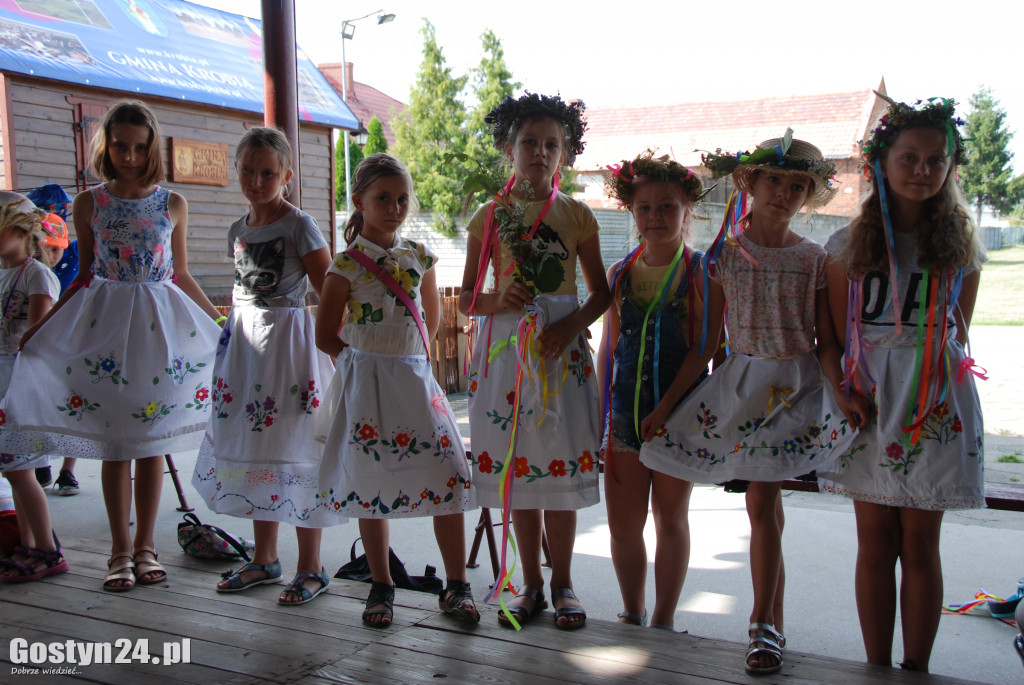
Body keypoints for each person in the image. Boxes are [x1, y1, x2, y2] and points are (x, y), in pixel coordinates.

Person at [639, 133, 870, 673]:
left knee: (764, 507)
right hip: (743, 388)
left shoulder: (815, 259)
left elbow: (828, 344)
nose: (783, 193)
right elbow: (706, 346)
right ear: (749, 182)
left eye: (797, 186)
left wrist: (844, 394)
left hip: (797, 390)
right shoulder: (724, 255)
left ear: (808, 195)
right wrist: (668, 407)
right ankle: (767, 625)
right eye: (774, 181)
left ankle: (764, 625)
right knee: (760, 506)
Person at [0, 99, 222, 591]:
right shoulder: (90, 203)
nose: (128, 155)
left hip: (161, 333)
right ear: (106, 145)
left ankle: (146, 547)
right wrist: (42, 328)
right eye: (120, 145)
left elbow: (180, 273)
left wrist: (218, 323)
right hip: (106, 331)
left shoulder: (172, 204)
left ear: (151, 149)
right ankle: (119, 552)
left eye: (139, 147)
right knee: (116, 447)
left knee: (150, 446)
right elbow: (81, 276)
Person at [818, 95, 984, 673]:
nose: (922, 170)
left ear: (949, 168)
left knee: (920, 542)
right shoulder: (847, 247)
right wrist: (845, 392)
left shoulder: (961, 249)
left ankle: (916, 667)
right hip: (870, 403)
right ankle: (876, 667)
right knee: (875, 541)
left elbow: (956, 335)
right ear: (881, 164)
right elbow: (833, 341)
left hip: (934, 403)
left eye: (936, 160)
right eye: (909, 157)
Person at [458, 93, 611, 630]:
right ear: (508, 148)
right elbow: (466, 300)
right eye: (529, 143)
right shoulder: (489, 214)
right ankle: (531, 585)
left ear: (565, 155)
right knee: (519, 471)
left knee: (560, 464)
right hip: (506, 356)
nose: (540, 153)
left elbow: (601, 294)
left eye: (552, 145)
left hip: (561, 355)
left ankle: (564, 581)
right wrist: (498, 300)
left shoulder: (577, 214)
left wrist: (570, 326)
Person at [314, 153, 477, 627]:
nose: (394, 206)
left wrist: (404, 357)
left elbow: (433, 319)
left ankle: (457, 585)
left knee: (448, 473)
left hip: (414, 379)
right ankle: (381, 586)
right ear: (359, 201)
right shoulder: (345, 264)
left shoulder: (420, 257)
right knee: (370, 482)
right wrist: (360, 363)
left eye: (402, 198)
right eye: (383, 198)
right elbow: (326, 334)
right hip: (367, 384)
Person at [191, 126, 335, 605]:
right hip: (246, 353)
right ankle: (265, 558)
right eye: (248, 171)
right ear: (237, 170)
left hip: (290, 351)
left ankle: (311, 565)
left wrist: (341, 351)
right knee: (257, 449)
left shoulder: (300, 225)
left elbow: (328, 291)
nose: (256, 180)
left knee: (298, 449)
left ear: (287, 176)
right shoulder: (238, 230)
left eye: (268, 173)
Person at [596, 151, 714, 631]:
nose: (655, 217)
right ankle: (633, 610)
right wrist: (603, 416)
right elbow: (608, 349)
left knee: (670, 519)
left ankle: (663, 619)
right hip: (625, 414)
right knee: (624, 526)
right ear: (631, 211)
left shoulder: (700, 270)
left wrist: (666, 408)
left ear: (687, 210)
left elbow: (703, 349)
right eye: (644, 208)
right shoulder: (619, 273)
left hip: (680, 411)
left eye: (667, 206)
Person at [0, 199, 65, 581]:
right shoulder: (4, 273)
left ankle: (46, 548)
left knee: (22, 469)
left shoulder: (36, 275)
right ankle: (26, 545)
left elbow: (36, 335)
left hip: (19, 382)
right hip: (3, 376)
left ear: (22, 232)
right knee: (11, 470)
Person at [29, 201, 81, 496]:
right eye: (43, 247)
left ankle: (68, 470)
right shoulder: (28, 272)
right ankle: (42, 460)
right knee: (39, 407)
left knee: (74, 403)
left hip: (70, 341)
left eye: (55, 248)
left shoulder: (70, 266)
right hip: (42, 347)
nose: (49, 255)